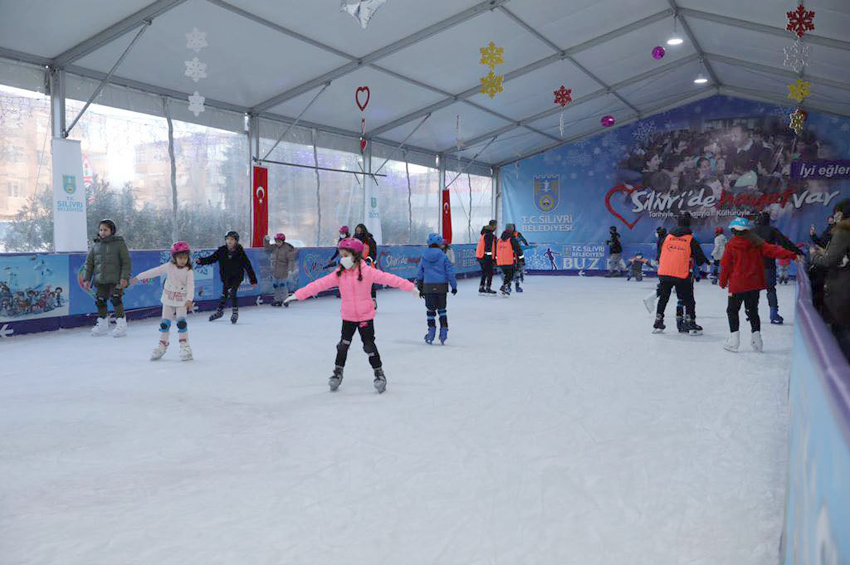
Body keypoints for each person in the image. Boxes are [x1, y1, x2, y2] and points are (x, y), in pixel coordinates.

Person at [283, 237, 418, 393]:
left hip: (365, 316)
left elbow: (391, 279)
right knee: (343, 346)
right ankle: (337, 372)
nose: (343, 259)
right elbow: (318, 285)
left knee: (369, 346)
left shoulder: (368, 272)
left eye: (346, 255)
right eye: (342, 255)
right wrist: (298, 295)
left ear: (356, 255)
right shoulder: (339, 273)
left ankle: (379, 373)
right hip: (348, 317)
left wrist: (411, 287)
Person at [719, 218, 799, 353]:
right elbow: (774, 250)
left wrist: (722, 282)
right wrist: (793, 255)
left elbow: (725, 266)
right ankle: (757, 341)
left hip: (737, 285)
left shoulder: (731, 245)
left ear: (733, 231)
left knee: (732, 310)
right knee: (753, 311)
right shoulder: (757, 243)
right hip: (754, 285)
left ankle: (734, 341)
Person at [130, 242, 195, 361]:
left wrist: (189, 299)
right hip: (168, 300)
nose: (183, 260)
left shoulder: (188, 271)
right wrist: (138, 277)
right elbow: (154, 271)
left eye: (185, 258)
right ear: (174, 257)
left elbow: (191, 286)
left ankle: (185, 345)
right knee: (165, 324)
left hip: (181, 301)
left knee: (181, 323)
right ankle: (162, 344)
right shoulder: (169, 266)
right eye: (180, 257)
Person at [652, 213, 710, 335]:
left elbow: (658, 255)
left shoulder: (666, 237)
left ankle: (658, 321)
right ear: (689, 224)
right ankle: (690, 322)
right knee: (688, 298)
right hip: (681, 274)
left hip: (664, 273)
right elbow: (699, 259)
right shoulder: (690, 239)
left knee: (664, 297)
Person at [810, 199, 850, 359]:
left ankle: (841, 376)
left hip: (842, 289)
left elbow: (828, 260)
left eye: (837, 213)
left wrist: (814, 256)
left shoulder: (843, 231)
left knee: (842, 332)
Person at [82, 219, 131, 338]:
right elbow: (89, 264)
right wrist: (86, 279)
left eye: (105, 230)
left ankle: (121, 325)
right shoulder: (95, 245)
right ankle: (103, 324)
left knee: (116, 299)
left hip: (116, 279)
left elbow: (126, 262)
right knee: (100, 300)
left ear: (111, 231)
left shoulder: (119, 244)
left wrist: (124, 278)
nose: (102, 232)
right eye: (101, 230)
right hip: (100, 280)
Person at [197, 230, 257, 324]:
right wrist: (201, 261)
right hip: (226, 277)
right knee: (224, 294)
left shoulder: (240, 252)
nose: (229, 241)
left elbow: (248, 266)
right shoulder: (222, 250)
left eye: (232, 239)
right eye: (228, 239)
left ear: (236, 241)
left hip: (237, 277)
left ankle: (235, 312)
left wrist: (253, 280)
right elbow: (212, 258)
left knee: (232, 292)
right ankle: (220, 312)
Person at [753, 211, 802, 324]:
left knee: (754, 290)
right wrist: (798, 252)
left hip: (754, 266)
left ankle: (751, 312)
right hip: (768, 265)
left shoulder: (752, 232)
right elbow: (785, 243)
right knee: (771, 289)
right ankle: (773, 313)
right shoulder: (772, 230)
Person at [417, 233, 457, 345]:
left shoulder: (424, 257)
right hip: (441, 287)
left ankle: (431, 332)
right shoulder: (444, 257)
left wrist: (420, 287)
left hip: (428, 287)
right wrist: (453, 286)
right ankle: (443, 331)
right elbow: (450, 272)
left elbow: (420, 273)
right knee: (442, 310)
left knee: (430, 311)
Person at [263, 233, 298, 307]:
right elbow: (267, 247)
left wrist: (290, 269)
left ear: (283, 241)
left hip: (283, 270)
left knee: (283, 286)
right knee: (276, 286)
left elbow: (291, 260)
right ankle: (277, 300)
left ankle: (285, 300)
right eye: (276, 241)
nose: (277, 243)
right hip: (275, 270)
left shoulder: (287, 249)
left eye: (279, 242)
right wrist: (266, 240)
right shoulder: (275, 247)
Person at [354, 224, 379, 309]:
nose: (358, 232)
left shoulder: (369, 240)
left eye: (359, 230)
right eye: (356, 231)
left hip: (368, 264)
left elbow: (373, 252)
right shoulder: (354, 239)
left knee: (370, 282)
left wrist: (369, 259)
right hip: (357, 265)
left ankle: (373, 300)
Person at [496, 227, 522, 296]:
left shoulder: (498, 240)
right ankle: (505, 286)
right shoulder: (512, 239)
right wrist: (521, 259)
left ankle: (505, 287)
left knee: (506, 275)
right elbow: (518, 250)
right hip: (509, 261)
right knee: (511, 274)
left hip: (500, 262)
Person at [476, 220, 498, 294]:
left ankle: (481, 287)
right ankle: (488, 287)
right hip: (486, 257)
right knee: (490, 272)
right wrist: (492, 259)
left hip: (480, 256)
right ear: (493, 226)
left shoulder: (484, 233)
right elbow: (488, 247)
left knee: (484, 272)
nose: (496, 227)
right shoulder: (489, 235)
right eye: (496, 225)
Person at [506, 223, 528, 292]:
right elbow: (523, 239)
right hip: (513, 254)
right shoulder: (510, 235)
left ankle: (513, 284)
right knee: (516, 269)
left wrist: (526, 244)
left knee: (513, 270)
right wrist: (526, 244)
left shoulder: (511, 234)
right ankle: (514, 285)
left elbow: (522, 239)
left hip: (513, 254)